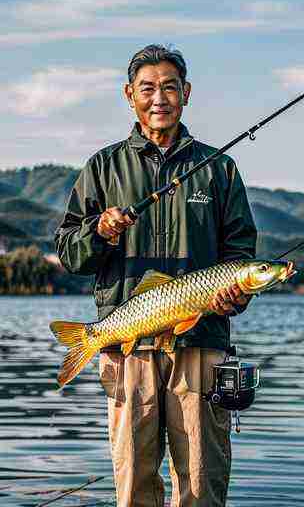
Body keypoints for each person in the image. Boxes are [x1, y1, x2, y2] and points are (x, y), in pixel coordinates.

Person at [55, 44, 257, 507]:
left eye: (169, 87)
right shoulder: (102, 167)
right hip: (126, 348)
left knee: (201, 482)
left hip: (201, 340)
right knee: (133, 484)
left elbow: (240, 251)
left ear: (186, 93)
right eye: (148, 88)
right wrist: (99, 231)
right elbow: (69, 252)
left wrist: (236, 297)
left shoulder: (219, 169)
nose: (159, 98)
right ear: (130, 95)